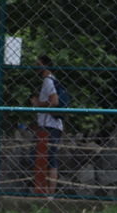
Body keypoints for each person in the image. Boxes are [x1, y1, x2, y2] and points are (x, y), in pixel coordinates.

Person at [30, 54, 64, 195]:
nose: (36, 68)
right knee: (48, 157)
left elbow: (54, 101)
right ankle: (47, 191)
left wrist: (38, 103)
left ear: (45, 65)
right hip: (52, 125)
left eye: (38, 65)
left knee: (46, 157)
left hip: (50, 125)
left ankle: (48, 191)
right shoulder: (52, 80)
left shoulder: (48, 81)